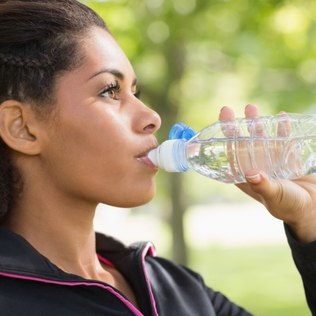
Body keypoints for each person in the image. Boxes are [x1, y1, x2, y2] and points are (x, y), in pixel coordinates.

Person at [0, 0, 315, 315]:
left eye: (134, 92)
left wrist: (309, 220)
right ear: (22, 128)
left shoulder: (181, 291)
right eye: (109, 91)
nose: (152, 117)